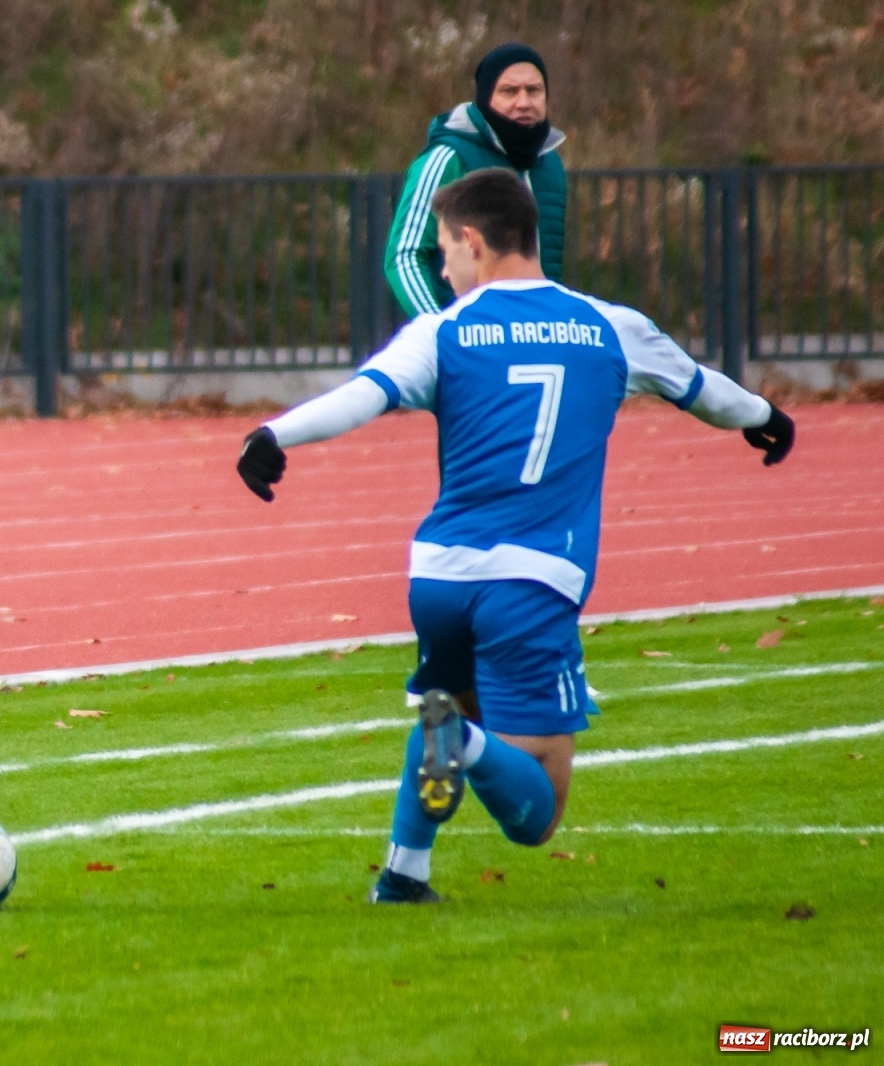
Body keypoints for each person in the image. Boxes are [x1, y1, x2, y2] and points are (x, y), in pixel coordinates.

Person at [237, 169, 795, 903]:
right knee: (537, 812)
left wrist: (275, 434)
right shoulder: (610, 326)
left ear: (473, 241)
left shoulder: (443, 330)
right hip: (532, 584)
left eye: (442, 250)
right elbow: (706, 391)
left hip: (438, 577)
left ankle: (404, 875)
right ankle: (460, 748)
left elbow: (361, 398)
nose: (442, 267)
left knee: (451, 701)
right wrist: (765, 417)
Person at [385, 42, 567, 319]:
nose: (523, 102)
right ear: (485, 97)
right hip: (468, 340)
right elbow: (405, 256)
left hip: (533, 338)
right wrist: (440, 329)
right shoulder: (449, 157)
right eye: (509, 91)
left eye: (534, 90)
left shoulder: (550, 163)